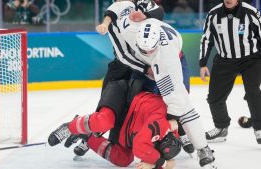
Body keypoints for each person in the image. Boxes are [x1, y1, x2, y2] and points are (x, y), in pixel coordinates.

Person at [95, 0, 195, 156]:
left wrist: (144, 15)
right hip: (127, 65)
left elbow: (159, 12)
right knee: (110, 103)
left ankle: (179, 132)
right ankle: (94, 135)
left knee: (173, 97)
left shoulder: (140, 4)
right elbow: (123, 54)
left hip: (151, 60)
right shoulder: (115, 16)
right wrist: (144, 69)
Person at [48, 79, 181, 169]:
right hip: (124, 98)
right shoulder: (162, 125)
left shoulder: (170, 135)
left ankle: (88, 136)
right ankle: (71, 126)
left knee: (124, 159)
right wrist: (161, 163)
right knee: (104, 122)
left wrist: (156, 162)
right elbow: (140, 147)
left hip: (128, 126)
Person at [199, 0, 261, 144]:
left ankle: (259, 129)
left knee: (253, 93)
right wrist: (202, 63)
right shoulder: (213, 14)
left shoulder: (250, 12)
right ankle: (221, 128)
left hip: (251, 59)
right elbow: (206, 39)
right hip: (225, 60)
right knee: (214, 97)